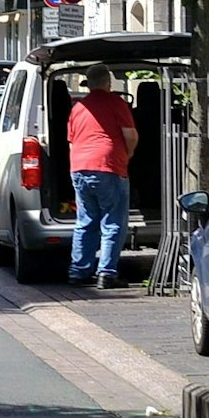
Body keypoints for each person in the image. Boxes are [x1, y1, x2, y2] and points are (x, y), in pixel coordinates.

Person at [67, 63, 139, 289]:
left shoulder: (78, 108)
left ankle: (79, 271)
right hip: (108, 165)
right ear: (108, 82)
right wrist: (128, 155)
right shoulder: (116, 103)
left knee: (85, 220)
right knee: (113, 220)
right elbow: (130, 135)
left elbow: (71, 141)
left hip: (79, 167)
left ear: (89, 85)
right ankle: (106, 273)